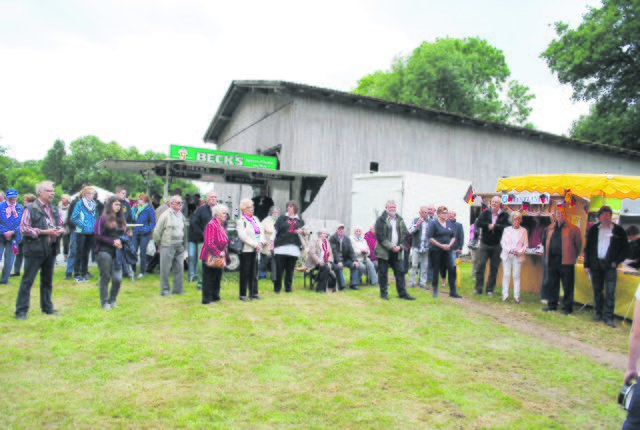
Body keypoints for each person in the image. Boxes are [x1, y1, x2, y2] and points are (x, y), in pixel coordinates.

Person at [14, 181, 65, 320]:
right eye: (49, 190)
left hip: (50, 249)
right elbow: (24, 228)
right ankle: (21, 311)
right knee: (27, 281)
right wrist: (44, 232)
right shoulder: (30, 209)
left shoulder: (55, 209)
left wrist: (59, 230)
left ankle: (47, 308)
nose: (52, 193)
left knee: (47, 281)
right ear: (40, 193)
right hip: (35, 249)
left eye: (53, 190)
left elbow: (61, 224)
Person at [583, 205, 629, 328]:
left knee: (610, 291)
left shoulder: (618, 231)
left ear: (611, 217)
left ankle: (608, 316)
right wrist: (586, 264)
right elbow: (588, 249)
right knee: (597, 290)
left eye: (608, 215)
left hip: (610, 265)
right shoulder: (593, 230)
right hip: (595, 264)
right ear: (599, 217)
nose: (607, 217)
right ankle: (599, 313)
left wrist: (617, 261)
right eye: (604, 215)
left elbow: (625, 249)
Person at [543, 206, 583, 315]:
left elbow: (578, 245)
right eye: (558, 213)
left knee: (567, 285)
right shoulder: (550, 228)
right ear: (555, 215)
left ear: (566, 215)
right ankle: (552, 305)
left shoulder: (573, 229)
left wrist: (573, 256)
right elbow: (545, 242)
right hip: (553, 260)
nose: (560, 215)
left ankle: (567, 308)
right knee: (553, 283)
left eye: (562, 213)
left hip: (566, 261)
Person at [374, 200, 415, 301]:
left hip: (397, 251)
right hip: (384, 251)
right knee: (383, 273)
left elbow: (406, 234)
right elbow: (380, 236)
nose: (393, 209)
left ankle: (402, 293)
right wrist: (390, 246)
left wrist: (400, 247)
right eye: (390, 207)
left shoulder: (400, 219)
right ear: (386, 208)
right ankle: (384, 294)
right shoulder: (381, 219)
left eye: (394, 207)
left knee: (400, 272)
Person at [93, 196, 127, 310]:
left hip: (117, 252)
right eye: (116, 204)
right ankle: (104, 302)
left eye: (119, 205)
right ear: (110, 205)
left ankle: (112, 300)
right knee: (105, 276)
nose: (118, 207)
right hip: (103, 251)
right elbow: (97, 235)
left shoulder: (121, 220)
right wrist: (112, 242)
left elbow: (124, 235)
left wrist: (121, 241)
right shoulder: (102, 218)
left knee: (117, 278)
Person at [473, 196, 511, 296]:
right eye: (493, 202)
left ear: (500, 204)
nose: (494, 204)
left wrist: (496, 226)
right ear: (490, 203)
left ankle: (489, 290)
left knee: (494, 268)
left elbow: (507, 227)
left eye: (496, 202)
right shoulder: (485, 212)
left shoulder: (504, 214)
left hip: (497, 245)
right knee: (480, 265)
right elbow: (478, 222)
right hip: (485, 244)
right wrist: (488, 225)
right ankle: (478, 289)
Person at [153, 195, 186, 296]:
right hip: (167, 244)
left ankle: (178, 290)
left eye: (181, 203)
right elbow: (157, 231)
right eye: (177, 203)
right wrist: (159, 243)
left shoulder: (181, 215)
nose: (180, 205)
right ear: (171, 204)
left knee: (180, 268)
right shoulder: (165, 215)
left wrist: (184, 245)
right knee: (165, 269)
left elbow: (184, 230)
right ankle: (165, 290)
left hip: (179, 244)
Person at [271, 200, 305, 294]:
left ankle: (288, 288)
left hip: (294, 249)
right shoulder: (282, 218)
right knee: (279, 270)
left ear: (295, 208)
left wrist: (301, 232)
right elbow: (275, 231)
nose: (288, 208)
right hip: (281, 248)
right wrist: (272, 243)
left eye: (291, 206)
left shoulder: (300, 220)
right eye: (288, 207)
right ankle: (277, 288)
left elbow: (305, 232)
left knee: (290, 270)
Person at [427, 206, 462, 298]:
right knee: (436, 269)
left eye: (446, 213)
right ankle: (435, 289)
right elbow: (430, 237)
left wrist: (450, 245)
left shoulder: (449, 224)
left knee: (451, 268)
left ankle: (453, 291)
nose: (445, 215)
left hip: (447, 250)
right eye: (443, 213)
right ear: (438, 214)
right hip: (436, 250)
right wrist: (440, 245)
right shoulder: (434, 224)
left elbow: (454, 236)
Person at [200, 204, 229, 305]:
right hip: (210, 255)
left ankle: (215, 297)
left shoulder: (221, 225)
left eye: (226, 213)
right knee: (209, 278)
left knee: (217, 277)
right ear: (216, 214)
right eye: (223, 213)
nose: (226, 215)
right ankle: (207, 300)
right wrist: (218, 252)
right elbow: (209, 242)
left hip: (220, 255)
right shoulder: (211, 225)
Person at [188, 191, 217, 288]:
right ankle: (200, 282)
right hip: (203, 239)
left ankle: (213, 281)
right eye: (211, 197)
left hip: (216, 240)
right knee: (202, 261)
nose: (213, 199)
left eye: (215, 197)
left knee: (215, 261)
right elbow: (194, 223)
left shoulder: (220, 209)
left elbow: (224, 222)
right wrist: (203, 234)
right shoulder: (201, 209)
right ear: (207, 199)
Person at [236, 198, 264, 301]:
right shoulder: (241, 221)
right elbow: (243, 237)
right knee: (245, 272)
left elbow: (261, 231)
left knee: (254, 271)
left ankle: (254, 293)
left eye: (252, 207)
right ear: (243, 209)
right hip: (246, 250)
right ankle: (242, 294)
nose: (252, 209)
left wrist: (260, 242)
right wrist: (255, 244)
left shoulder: (255, 219)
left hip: (256, 249)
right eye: (249, 207)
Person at [500, 212, 529, 304]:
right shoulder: (506, 230)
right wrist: (509, 250)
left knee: (516, 275)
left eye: (518, 219)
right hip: (507, 254)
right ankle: (505, 295)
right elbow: (503, 243)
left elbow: (526, 245)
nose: (516, 221)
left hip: (518, 255)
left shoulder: (524, 231)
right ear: (511, 220)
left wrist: (519, 251)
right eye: (515, 219)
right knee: (506, 274)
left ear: (520, 220)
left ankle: (516, 296)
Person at [70, 186, 97, 282]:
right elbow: (73, 218)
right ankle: (77, 274)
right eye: (90, 193)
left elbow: (95, 217)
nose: (92, 196)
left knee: (86, 254)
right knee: (79, 253)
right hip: (81, 232)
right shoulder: (80, 204)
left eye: (93, 194)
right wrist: (82, 225)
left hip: (91, 232)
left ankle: (84, 273)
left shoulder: (94, 204)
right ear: (85, 194)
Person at [408, 205, 435, 289]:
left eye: (426, 212)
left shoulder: (431, 222)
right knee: (414, 265)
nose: (424, 214)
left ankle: (423, 283)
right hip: (416, 246)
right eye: (422, 212)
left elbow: (434, 234)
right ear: (420, 212)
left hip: (426, 247)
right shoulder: (415, 220)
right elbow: (411, 231)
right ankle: (412, 282)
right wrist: (417, 224)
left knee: (424, 266)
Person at [0, 189, 23, 285]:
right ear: (6, 198)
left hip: (13, 237)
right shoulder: (1, 206)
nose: (12, 200)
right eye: (10, 198)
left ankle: (4, 280)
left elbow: (23, 223)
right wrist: (4, 231)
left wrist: (13, 232)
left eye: (14, 198)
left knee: (9, 259)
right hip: (1, 236)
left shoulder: (20, 208)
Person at [131, 193, 156, 279]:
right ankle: (133, 270)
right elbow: (134, 220)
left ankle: (142, 272)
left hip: (144, 234)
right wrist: (131, 229)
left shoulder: (149, 209)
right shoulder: (137, 209)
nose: (138, 200)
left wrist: (146, 229)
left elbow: (153, 223)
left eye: (140, 199)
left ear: (144, 200)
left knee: (142, 252)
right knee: (133, 251)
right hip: (136, 232)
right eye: (138, 199)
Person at [329, 223, 360, 290]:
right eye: (339, 229)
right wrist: (339, 261)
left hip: (345, 259)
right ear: (336, 230)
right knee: (339, 267)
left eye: (342, 229)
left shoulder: (347, 239)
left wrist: (355, 260)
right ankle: (342, 286)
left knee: (354, 265)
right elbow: (334, 252)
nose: (341, 230)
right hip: (335, 260)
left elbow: (351, 251)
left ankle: (353, 284)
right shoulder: (332, 238)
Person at [306, 228, 337, 293]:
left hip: (325, 261)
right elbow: (312, 253)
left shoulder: (327, 242)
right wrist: (318, 261)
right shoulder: (314, 241)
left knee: (337, 267)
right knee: (325, 268)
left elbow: (330, 254)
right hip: (315, 262)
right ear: (320, 234)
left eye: (326, 234)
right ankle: (320, 289)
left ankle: (334, 286)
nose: (325, 235)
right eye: (324, 233)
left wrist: (329, 262)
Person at [12, 193, 36, 277]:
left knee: (27, 254)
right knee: (19, 253)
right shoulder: (23, 209)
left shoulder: (32, 209)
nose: (23, 201)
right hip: (21, 234)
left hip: (29, 235)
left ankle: (28, 271)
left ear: (29, 201)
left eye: (25, 200)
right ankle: (17, 271)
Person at [440, 210, 464, 288]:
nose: (450, 215)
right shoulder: (442, 224)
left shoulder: (459, 225)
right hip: (444, 248)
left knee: (453, 266)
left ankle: (452, 281)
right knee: (443, 265)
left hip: (454, 249)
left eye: (452, 214)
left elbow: (461, 237)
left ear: (455, 215)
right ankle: (443, 280)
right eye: (449, 214)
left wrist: (460, 247)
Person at [258, 206, 279, 280]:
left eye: (277, 212)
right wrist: (263, 241)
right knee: (264, 261)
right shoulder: (266, 221)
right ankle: (262, 275)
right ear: (271, 213)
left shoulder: (279, 220)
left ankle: (274, 276)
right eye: (275, 212)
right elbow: (260, 231)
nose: (276, 214)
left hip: (276, 244)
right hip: (267, 243)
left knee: (275, 261)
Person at [58, 194, 72, 262]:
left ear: (67, 199)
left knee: (69, 242)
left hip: (68, 226)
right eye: (62, 198)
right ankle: (65, 255)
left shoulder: (70, 207)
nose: (62, 199)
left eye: (63, 198)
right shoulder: (59, 207)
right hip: (61, 226)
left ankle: (69, 255)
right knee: (64, 242)